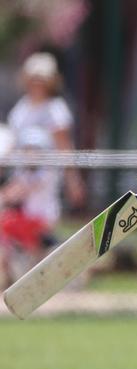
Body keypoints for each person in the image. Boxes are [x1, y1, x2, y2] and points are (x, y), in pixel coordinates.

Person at [0, 52, 84, 286]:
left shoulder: (55, 109)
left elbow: (64, 148)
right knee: (16, 227)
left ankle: (53, 274)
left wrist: (72, 181)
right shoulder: (22, 108)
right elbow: (13, 145)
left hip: (44, 177)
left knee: (38, 225)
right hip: (21, 176)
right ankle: (20, 276)